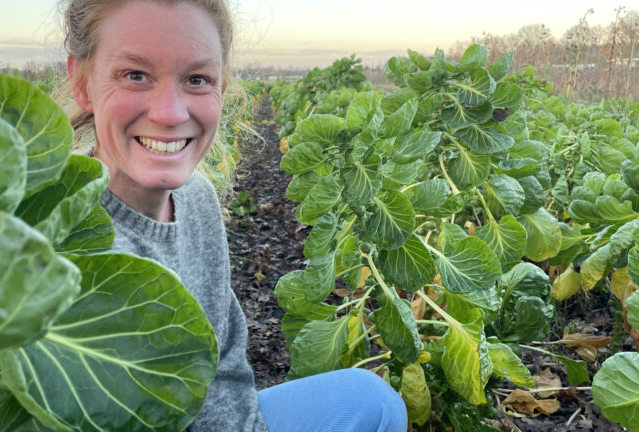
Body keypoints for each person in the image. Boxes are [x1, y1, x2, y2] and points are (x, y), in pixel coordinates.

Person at [62, 0, 409, 430]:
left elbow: (225, 368)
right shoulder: (59, 231)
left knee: (374, 403)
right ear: (81, 81)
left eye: (197, 79)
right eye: (135, 75)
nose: (169, 112)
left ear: (222, 88)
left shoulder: (197, 197)